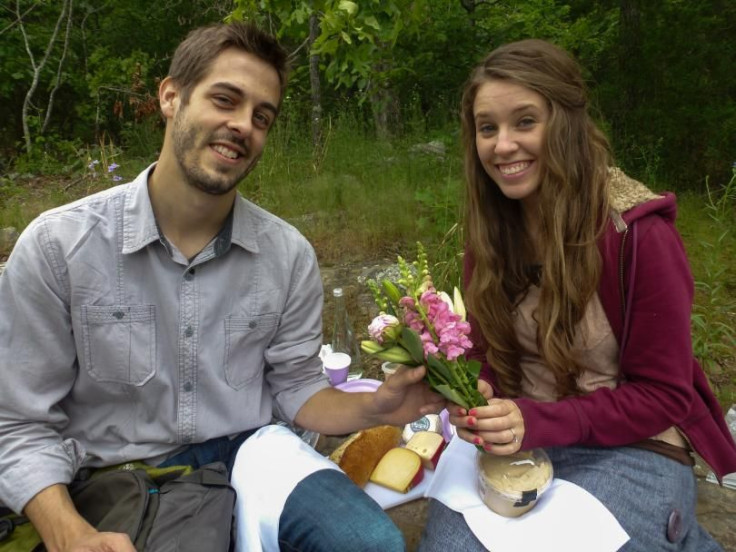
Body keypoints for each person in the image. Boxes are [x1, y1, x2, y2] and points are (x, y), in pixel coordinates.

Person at [0, 22, 444, 552]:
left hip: (251, 451)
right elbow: (18, 425)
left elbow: (297, 389)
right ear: (171, 96)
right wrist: (69, 533)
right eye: (225, 100)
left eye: (262, 116)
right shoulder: (60, 246)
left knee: (370, 544)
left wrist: (380, 408)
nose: (243, 126)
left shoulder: (288, 255)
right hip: (110, 475)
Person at [419, 39, 736, 551]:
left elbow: (665, 395)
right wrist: (472, 390)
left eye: (525, 121)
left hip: (634, 446)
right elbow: (480, 355)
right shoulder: (492, 231)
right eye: (487, 128)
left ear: (565, 123)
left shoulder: (636, 233)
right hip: (522, 441)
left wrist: (536, 419)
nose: (502, 146)